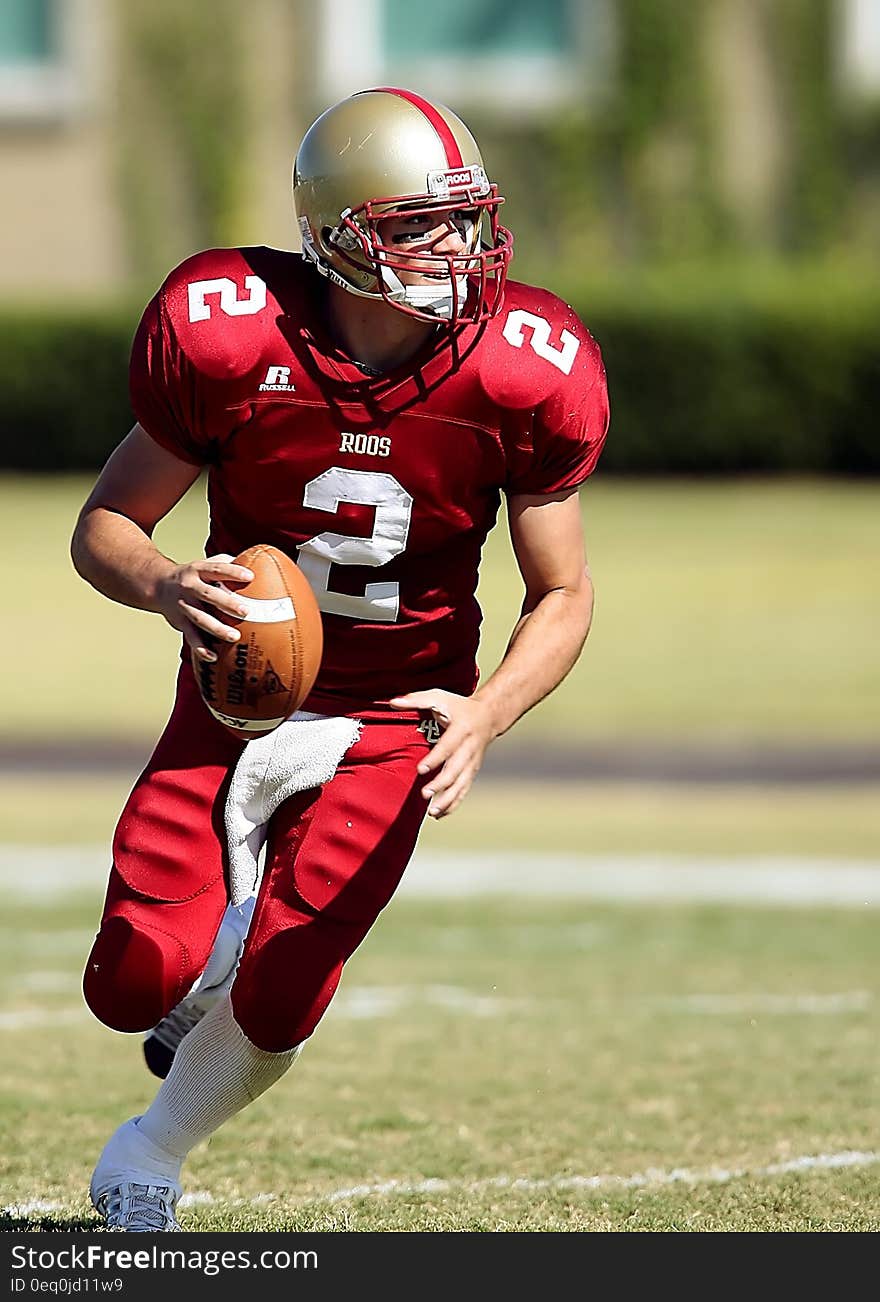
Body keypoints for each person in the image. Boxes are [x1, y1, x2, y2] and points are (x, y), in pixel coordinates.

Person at [71, 85, 609, 1232]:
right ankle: (219, 915)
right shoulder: (230, 331)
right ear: (335, 234)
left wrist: (485, 715)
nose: (454, 249)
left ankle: (153, 1151)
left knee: (282, 986)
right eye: (416, 224)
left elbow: (562, 591)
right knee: (129, 986)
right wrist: (169, 586)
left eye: (464, 219)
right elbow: (105, 529)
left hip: (399, 713)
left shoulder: (522, 368)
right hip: (241, 693)